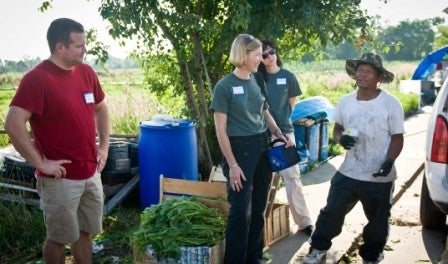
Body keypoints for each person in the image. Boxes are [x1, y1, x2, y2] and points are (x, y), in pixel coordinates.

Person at [4, 18, 110, 264]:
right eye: (79, 45)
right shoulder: (37, 79)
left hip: (91, 172)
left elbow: (101, 108)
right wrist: (41, 163)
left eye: (85, 44)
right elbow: (13, 123)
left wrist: (103, 147)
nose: (85, 49)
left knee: (85, 233)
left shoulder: (86, 72)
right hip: (60, 179)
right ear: (60, 47)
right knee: (58, 239)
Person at [303, 53, 404, 264]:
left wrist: (390, 161)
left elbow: (397, 137)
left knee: (377, 223)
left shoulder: (390, 103)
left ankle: (372, 255)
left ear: (379, 77)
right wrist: (341, 139)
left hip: (379, 174)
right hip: (349, 170)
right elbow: (337, 130)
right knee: (331, 212)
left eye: (368, 71)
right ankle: (318, 248)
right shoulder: (346, 101)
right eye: (359, 70)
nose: (362, 74)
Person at [210, 33, 292, 264]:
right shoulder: (224, 86)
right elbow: (220, 131)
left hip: (261, 144)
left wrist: (279, 134)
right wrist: (233, 165)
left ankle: (253, 258)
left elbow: (265, 112)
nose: (261, 58)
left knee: (258, 210)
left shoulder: (257, 80)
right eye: (257, 54)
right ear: (243, 55)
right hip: (239, 150)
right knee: (239, 213)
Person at [256, 40, 313, 236]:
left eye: (272, 52)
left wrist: (281, 122)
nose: (269, 56)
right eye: (264, 55)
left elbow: (291, 103)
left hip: (285, 132)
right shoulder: (257, 78)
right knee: (264, 179)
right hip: (262, 134)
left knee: (292, 177)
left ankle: (304, 223)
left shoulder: (288, 76)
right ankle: (259, 226)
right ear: (260, 59)